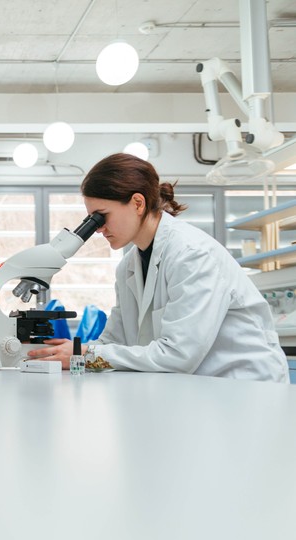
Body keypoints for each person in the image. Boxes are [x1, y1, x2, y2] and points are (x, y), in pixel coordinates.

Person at [32, 153, 288, 382]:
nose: (98, 228)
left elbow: (179, 355)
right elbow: (112, 342)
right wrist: (72, 354)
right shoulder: (129, 266)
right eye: (92, 219)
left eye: (102, 216)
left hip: (245, 386)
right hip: (201, 389)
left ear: (137, 203)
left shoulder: (192, 254)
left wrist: (86, 354)